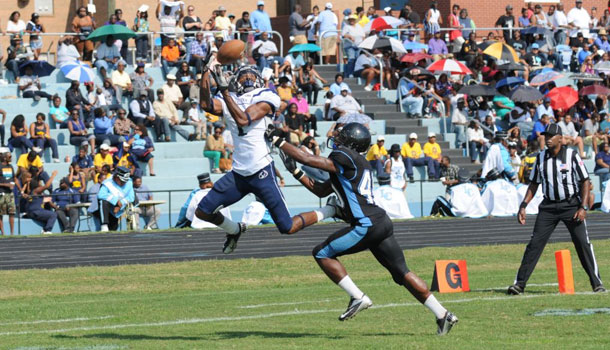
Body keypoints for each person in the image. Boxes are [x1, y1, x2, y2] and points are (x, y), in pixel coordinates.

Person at [270, 122, 458, 333]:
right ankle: (443, 314)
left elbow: (307, 158)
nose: (338, 139)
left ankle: (357, 297)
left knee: (322, 253)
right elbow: (322, 190)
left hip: (366, 223)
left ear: (351, 142)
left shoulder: (344, 156)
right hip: (380, 222)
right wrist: (295, 171)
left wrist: (278, 140)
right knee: (402, 273)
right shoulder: (356, 163)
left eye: (343, 137)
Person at [196, 64, 338, 253]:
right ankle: (235, 229)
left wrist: (224, 90)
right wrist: (206, 72)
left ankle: (331, 210)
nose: (247, 79)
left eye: (250, 75)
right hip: (239, 173)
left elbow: (244, 119)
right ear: (235, 80)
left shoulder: (266, 95)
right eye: (243, 75)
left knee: (287, 226)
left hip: (261, 170)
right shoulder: (228, 97)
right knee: (203, 211)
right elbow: (205, 104)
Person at [509, 124, 605, 295]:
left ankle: (596, 282)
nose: (548, 139)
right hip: (549, 207)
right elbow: (534, 183)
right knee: (535, 244)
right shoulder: (540, 158)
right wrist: (523, 205)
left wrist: (583, 207)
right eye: (546, 136)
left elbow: (585, 181)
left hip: (571, 205)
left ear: (561, 138)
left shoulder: (571, 156)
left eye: (552, 136)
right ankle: (519, 284)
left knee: (582, 243)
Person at [94, 166, 135, 232]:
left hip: (117, 210)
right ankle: (104, 225)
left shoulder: (129, 182)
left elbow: (131, 197)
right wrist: (116, 201)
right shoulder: (107, 183)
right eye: (122, 181)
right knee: (103, 201)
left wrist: (120, 204)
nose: (124, 183)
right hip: (103, 210)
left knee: (113, 230)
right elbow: (101, 195)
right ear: (116, 177)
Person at [22, 169, 59, 234]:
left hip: (31, 212)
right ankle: (47, 230)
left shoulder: (31, 192)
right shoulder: (36, 190)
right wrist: (53, 175)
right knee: (53, 215)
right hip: (36, 212)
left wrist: (56, 208)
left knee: (48, 214)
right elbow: (47, 186)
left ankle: (44, 229)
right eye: (39, 183)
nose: (40, 184)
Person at [0, 151, 15, 235]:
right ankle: (3, 233)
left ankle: (12, 233)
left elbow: (14, 178)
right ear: (5, 158)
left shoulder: (11, 166)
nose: (11, 158)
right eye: (9, 157)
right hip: (1, 193)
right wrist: (5, 184)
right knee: (0, 214)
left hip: (10, 193)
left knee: (12, 213)